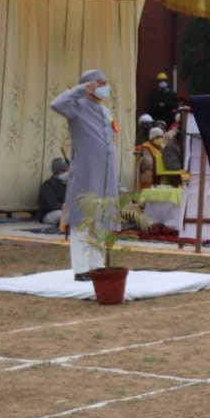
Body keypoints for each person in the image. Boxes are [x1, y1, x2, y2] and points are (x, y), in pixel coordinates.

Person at [51, 69, 119, 279]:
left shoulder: (105, 111)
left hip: (106, 173)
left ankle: (96, 266)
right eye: (100, 83)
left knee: (101, 218)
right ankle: (81, 269)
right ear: (90, 86)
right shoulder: (76, 107)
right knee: (82, 218)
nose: (105, 87)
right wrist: (81, 89)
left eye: (105, 82)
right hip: (85, 172)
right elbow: (56, 104)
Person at [37, 158, 69, 226]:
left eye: (65, 170)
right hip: (49, 214)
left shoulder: (67, 184)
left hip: (66, 210)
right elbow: (53, 205)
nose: (65, 173)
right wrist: (67, 208)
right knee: (62, 214)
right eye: (63, 171)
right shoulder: (47, 185)